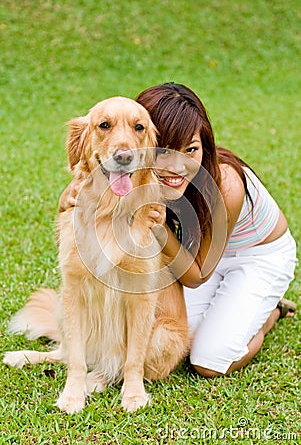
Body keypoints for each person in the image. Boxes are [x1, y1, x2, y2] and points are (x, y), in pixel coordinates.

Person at [59, 83, 297, 377]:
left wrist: (161, 231)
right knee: (179, 338)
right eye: (165, 151)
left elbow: (197, 275)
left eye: (191, 150)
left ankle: (269, 312)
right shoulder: (138, 169)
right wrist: (69, 196)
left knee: (207, 359)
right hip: (192, 251)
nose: (177, 166)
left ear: (205, 146)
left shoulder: (227, 185)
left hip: (252, 256)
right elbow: (93, 181)